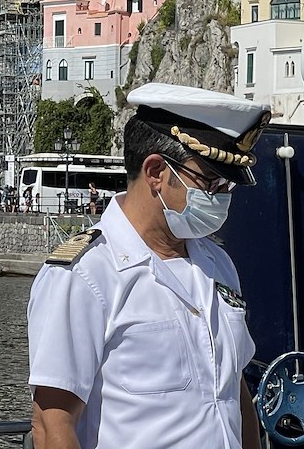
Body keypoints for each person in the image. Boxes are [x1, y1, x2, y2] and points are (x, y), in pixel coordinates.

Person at [28, 83, 271, 449]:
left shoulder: (217, 265)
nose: (221, 197)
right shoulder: (85, 274)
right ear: (156, 171)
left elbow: (232, 392)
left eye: (227, 186)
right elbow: (52, 425)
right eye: (211, 182)